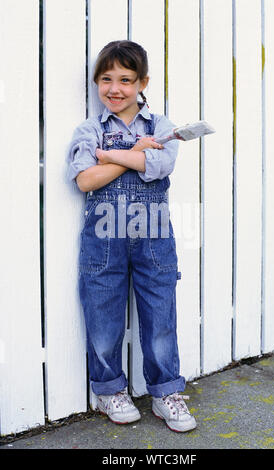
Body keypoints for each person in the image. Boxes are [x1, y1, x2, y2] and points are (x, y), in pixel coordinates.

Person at [67, 40, 196, 433]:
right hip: (103, 236)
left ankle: (165, 393)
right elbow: (86, 180)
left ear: (143, 82)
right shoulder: (90, 129)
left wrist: (109, 156)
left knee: (160, 315)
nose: (115, 88)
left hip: (154, 234)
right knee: (103, 313)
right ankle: (110, 390)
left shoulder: (160, 126)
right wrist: (132, 155)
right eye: (106, 79)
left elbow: (158, 164)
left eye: (125, 79)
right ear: (96, 82)